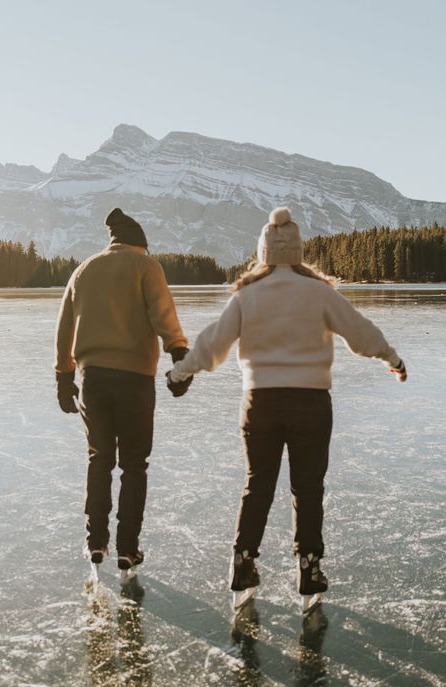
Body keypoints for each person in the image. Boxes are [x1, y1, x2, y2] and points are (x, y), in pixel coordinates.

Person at [167, 207, 406, 610]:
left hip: (259, 403)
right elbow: (361, 333)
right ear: (297, 252)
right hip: (310, 403)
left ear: (263, 253)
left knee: (257, 483)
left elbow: (212, 343)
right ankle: (309, 570)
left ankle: (242, 563)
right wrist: (393, 359)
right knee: (308, 489)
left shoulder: (248, 295)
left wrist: (180, 373)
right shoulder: (319, 293)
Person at [54, 207, 191, 576]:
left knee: (99, 459)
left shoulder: (83, 270)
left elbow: (64, 327)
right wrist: (179, 353)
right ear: (139, 244)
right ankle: (128, 548)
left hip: (93, 379)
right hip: (134, 381)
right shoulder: (146, 267)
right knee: (134, 465)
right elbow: (163, 314)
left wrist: (64, 378)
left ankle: (95, 540)